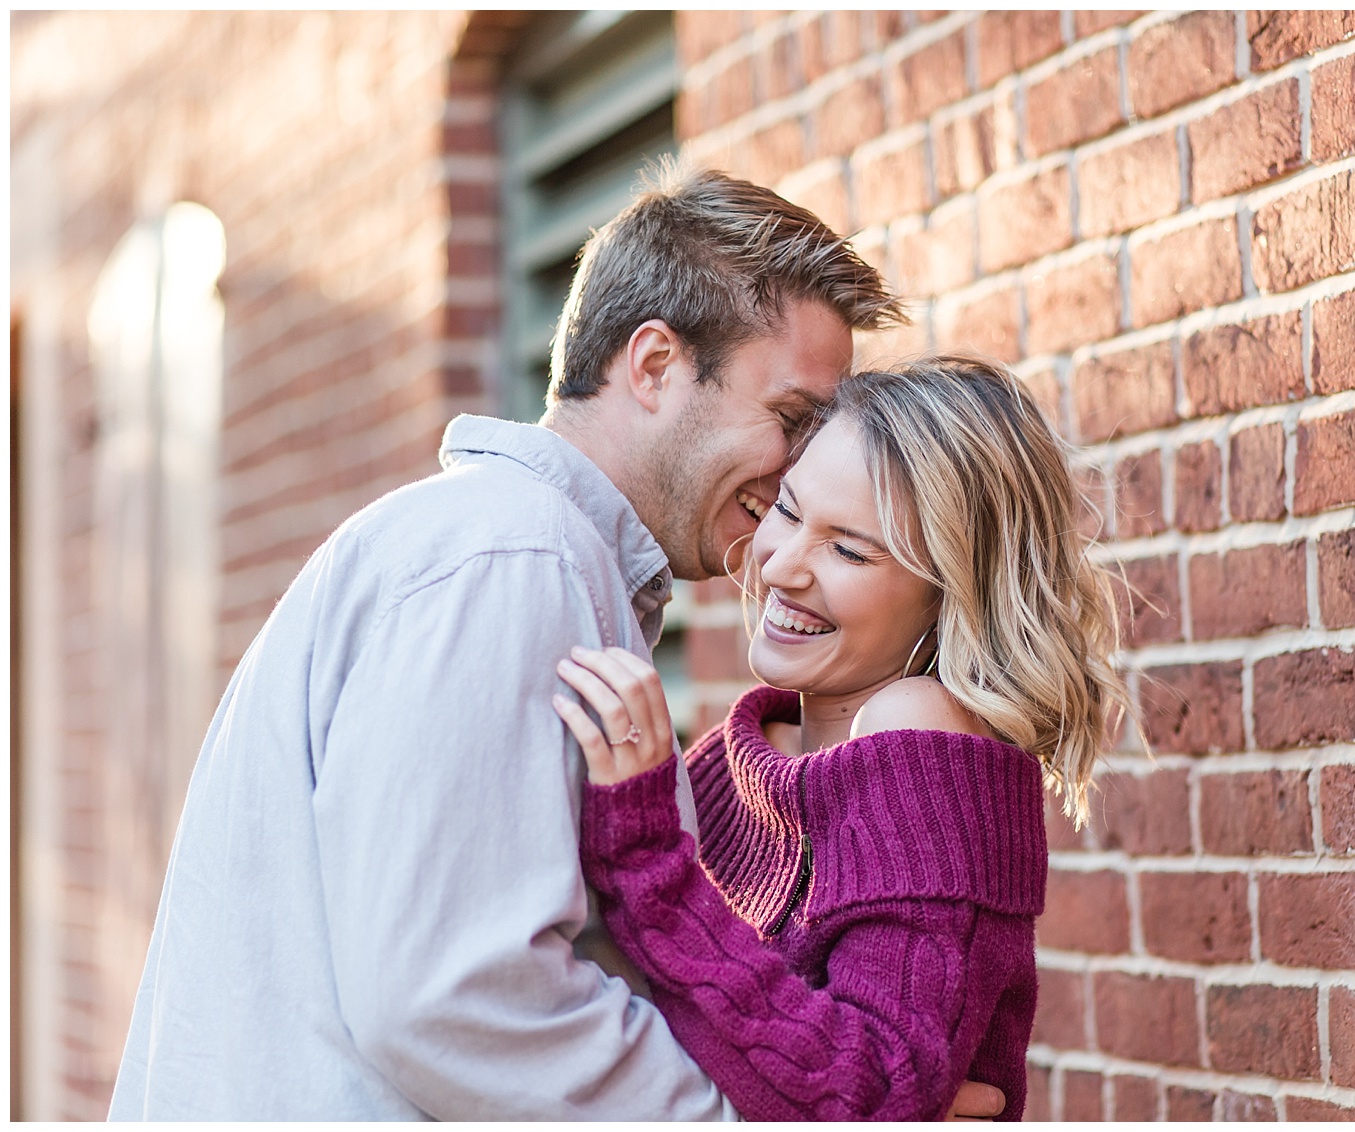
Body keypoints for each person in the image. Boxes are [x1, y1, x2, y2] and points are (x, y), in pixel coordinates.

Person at [108, 165, 924, 1119]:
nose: (804, 467)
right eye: (791, 419)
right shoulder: (512, 561)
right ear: (654, 365)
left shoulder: (516, 555)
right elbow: (458, 997)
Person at [553, 357, 1135, 1121]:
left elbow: (868, 1093)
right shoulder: (735, 766)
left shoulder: (918, 729)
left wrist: (644, 859)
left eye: (849, 550)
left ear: (949, 591)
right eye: (788, 511)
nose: (782, 565)